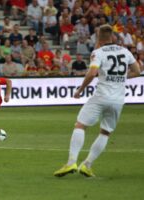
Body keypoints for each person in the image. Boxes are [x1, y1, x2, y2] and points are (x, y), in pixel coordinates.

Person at [54, 24, 141, 177]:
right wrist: (121, 77)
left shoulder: (98, 52)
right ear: (113, 36)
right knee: (105, 132)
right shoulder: (125, 51)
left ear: (99, 38)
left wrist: (80, 89)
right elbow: (137, 71)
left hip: (101, 96)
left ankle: (71, 163)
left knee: (80, 125)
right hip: (118, 99)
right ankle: (87, 165)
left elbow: (92, 72)